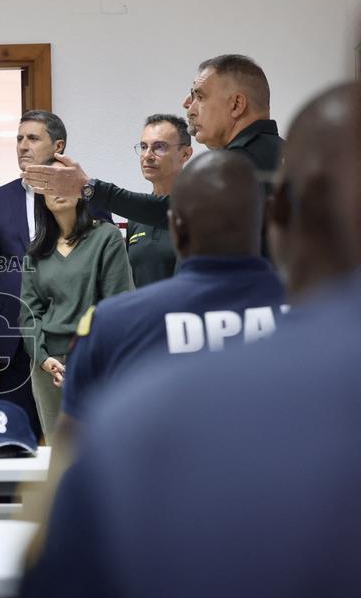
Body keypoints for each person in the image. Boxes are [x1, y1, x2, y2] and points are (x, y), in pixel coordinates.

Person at [0, 82, 360, 598]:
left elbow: (66, 495)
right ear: (268, 220)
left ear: (179, 228)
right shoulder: (313, 341)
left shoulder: (118, 344)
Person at [61, 150, 286, 432]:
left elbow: (72, 447)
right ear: (269, 221)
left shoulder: (110, 325)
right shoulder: (321, 313)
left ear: (175, 229)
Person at [22, 55, 282, 233]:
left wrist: (89, 188)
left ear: (236, 105)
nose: (187, 105)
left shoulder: (240, 164)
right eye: (143, 146)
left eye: (199, 96)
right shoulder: (283, 154)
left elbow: (177, 212)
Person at [0, 110, 68, 435]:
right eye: (19, 138)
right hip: (12, 345)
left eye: (33, 138)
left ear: (58, 146)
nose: (23, 145)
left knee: (70, 446)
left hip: (67, 343)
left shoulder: (83, 195)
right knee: (11, 444)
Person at [18, 183, 132, 441]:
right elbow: (29, 313)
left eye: (63, 181)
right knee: (59, 453)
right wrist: (42, 358)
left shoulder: (106, 236)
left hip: (95, 361)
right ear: (41, 198)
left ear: (80, 190)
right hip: (48, 367)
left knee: (102, 449)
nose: (57, 190)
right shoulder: (36, 252)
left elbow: (116, 305)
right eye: (48, 185)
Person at [127, 114, 193, 287]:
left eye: (159, 147)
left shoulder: (197, 211)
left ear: (185, 154)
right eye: (143, 147)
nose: (148, 155)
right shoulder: (137, 215)